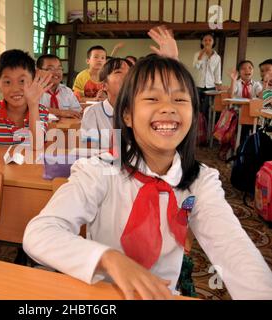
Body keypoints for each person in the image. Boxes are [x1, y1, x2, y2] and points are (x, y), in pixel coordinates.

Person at [23, 54, 272, 300]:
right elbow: (40, 233)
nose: (168, 107)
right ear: (128, 115)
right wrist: (107, 259)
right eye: (152, 98)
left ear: (194, 115)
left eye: (180, 99)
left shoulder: (201, 180)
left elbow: (234, 250)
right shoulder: (98, 169)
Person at [0, 49, 52, 148]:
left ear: (33, 82)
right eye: (7, 82)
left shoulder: (40, 111)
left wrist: (33, 105)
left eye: (22, 81)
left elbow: (37, 146)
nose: (15, 89)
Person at [81, 58, 131, 147]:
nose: (128, 75)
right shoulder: (93, 113)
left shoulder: (140, 111)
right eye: (119, 72)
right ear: (104, 85)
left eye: (130, 71)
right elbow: (90, 151)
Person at [36, 54, 81, 119]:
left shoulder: (67, 91)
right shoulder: (33, 91)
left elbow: (77, 112)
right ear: (38, 71)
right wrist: (60, 112)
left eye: (59, 68)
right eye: (50, 69)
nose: (57, 72)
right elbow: (31, 109)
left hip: (65, 128)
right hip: (39, 128)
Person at [193, 33, 222, 121]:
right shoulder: (197, 54)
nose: (207, 42)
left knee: (206, 108)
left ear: (213, 42)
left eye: (210, 40)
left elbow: (217, 71)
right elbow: (196, 67)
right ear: (202, 42)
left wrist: (218, 84)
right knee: (196, 107)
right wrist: (201, 55)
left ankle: (205, 127)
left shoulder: (217, 57)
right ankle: (197, 127)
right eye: (205, 40)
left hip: (210, 85)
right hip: (199, 84)